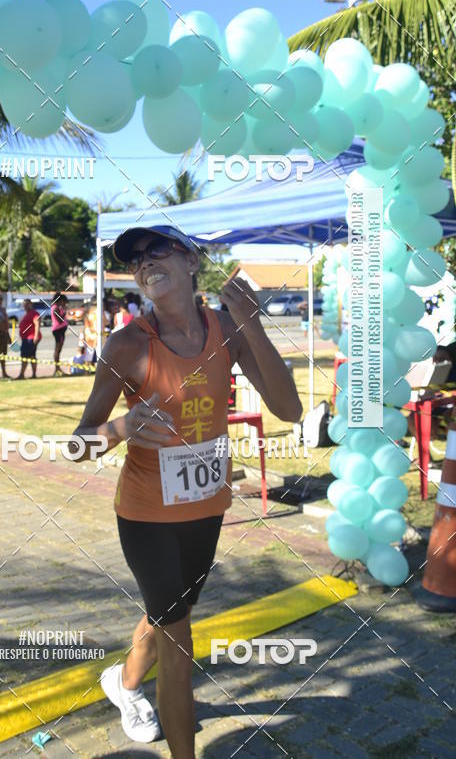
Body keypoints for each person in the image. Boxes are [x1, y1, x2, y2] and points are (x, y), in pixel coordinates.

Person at [72, 224, 302, 758]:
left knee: (165, 614)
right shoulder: (128, 345)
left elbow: (289, 411)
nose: (146, 262)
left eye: (158, 249)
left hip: (206, 508)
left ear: (192, 260)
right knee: (179, 641)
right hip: (146, 514)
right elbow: (79, 443)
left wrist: (250, 323)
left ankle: (123, 684)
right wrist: (120, 430)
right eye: (136, 258)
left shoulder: (227, 327)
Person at [18, 299, 41, 379]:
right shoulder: (27, 314)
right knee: (31, 355)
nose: (25, 306)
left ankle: (22, 374)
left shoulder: (34, 313)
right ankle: (33, 374)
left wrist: (36, 336)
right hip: (26, 338)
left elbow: (37, 324)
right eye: (24, 305)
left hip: (30, 338)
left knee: (25, 355)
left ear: (31, 304)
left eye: (27, 304)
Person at [51, 294, 68, 376]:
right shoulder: (55, 308)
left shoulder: (57, 308)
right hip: (58, 331)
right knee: (57, 350)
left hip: (60, 330)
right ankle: (57, 369)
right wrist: (64, 312)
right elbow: (60, 320)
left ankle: (58, 369)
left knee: (58, 350)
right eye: (63, 302)